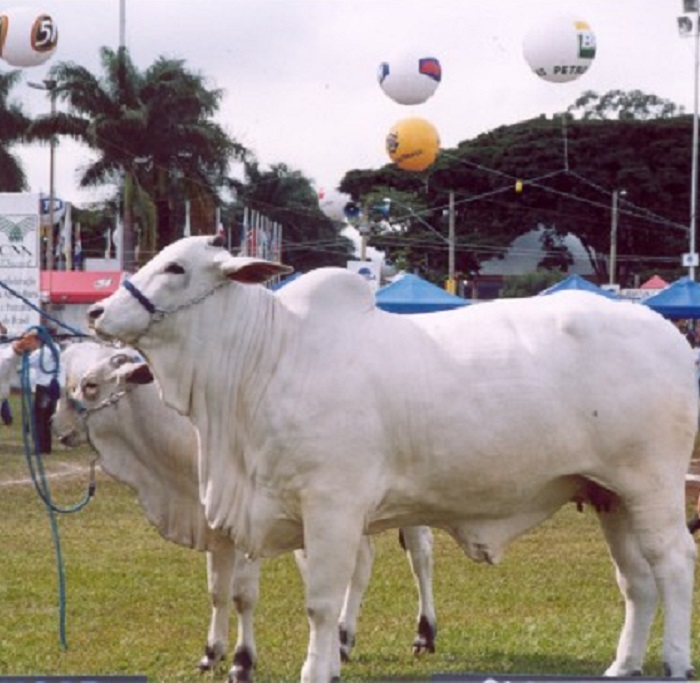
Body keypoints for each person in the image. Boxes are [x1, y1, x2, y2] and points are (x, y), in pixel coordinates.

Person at [27, 332, 62, 455]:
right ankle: (46, 447)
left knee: (39, 418)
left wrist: (27, 351)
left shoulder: (40, 353)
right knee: (47, 418)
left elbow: (27, 363)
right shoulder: (56, 348)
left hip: (43, 387)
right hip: (53, 386)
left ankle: (39, 447)